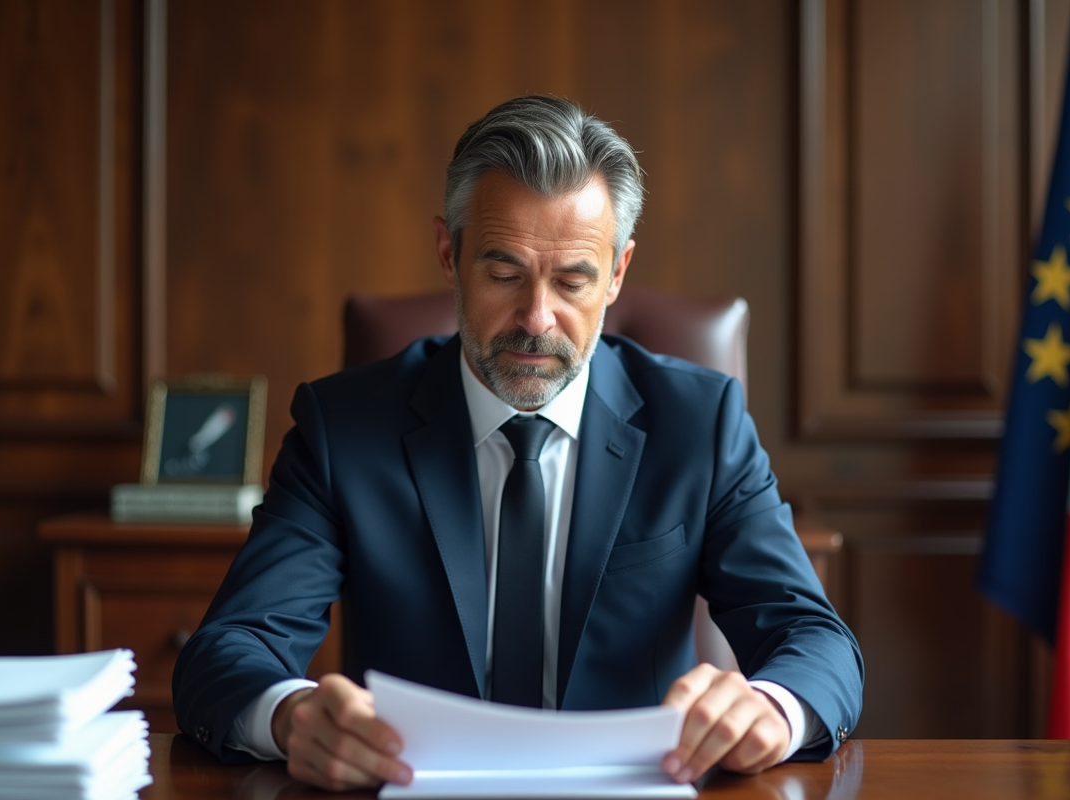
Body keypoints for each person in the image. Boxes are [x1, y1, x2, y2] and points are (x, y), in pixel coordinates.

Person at [173, 95, 863, 791]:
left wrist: (772, 709)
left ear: (617, 273)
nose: (536, 319)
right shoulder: (343, 427)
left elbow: (816, 642)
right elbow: (227, 650)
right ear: (450, 253)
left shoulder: (699, 424)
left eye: (572, 280)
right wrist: (291, 715)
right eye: (504, 274)